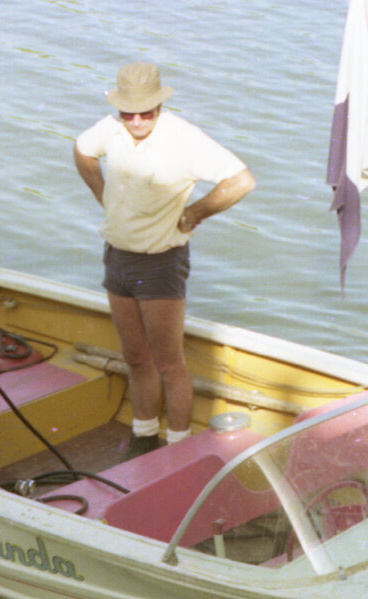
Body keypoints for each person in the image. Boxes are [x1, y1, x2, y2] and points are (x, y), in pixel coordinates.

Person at [73, 61, 255, 458]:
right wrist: (102, 192)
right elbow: (83, 150)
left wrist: (196, 213)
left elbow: (241, 180)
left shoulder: (185, 139)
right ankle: (142, 435)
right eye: (128, 112)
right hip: (117, 258)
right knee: (135, 356)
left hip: (160, 264)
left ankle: (177, 446)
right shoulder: (111, 128)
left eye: (146, 112)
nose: (136, 120)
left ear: (159, 105)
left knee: (169, 363)